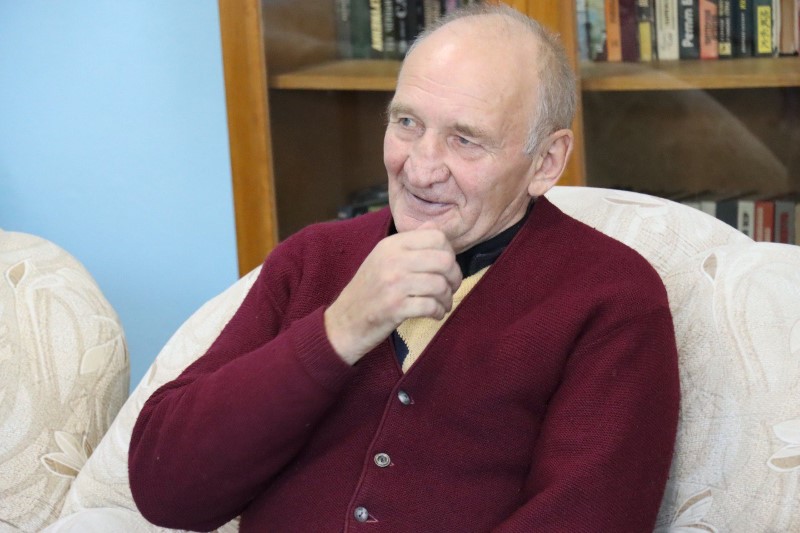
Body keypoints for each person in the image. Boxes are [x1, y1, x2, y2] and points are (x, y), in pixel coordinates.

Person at [129, 4, 680, 531]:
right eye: (408, 123)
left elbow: (585, 518)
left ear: (546, 161)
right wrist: (339, 329)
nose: (419, 169)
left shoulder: (613, 297)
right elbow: (166, 488)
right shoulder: (313, 258)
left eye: (465, 140)